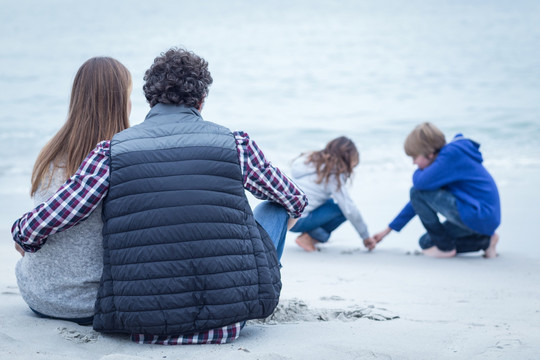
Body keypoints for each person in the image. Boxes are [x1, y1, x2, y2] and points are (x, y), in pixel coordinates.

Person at [11, 47, 307, 344]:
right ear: (202, 101)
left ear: (149, 100)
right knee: (275, 208)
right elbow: (296, 200)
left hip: (144, 324)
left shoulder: (111, 153)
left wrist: (22, 234)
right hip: (229, 322)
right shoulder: (236, 144)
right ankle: (258, 279)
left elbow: (63, 208)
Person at [12, 57, 132, 325]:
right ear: (121, 102)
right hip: (92, 302)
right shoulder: (121, 159)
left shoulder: (50, 153)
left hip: (38, 294)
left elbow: (33, 229)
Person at [369, 122, 500, 258]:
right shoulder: (444, 163)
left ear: (430, 154)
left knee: (417, 191)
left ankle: (446, 249)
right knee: (426, 243)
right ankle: (486, 242)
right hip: (482, 218)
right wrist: (388, 229)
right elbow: (418, 202)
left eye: (415, 157)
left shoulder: (450, 157)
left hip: (479, 214)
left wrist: (418, 173)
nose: (413, 163)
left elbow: (418, 187)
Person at [288, 136, 373, 251]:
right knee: (341, 211)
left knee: (329, 202)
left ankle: (308, 236)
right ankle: (310, 238)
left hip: (286, 217)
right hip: (298, 220)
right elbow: (349, 209)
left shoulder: (308, 159)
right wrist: (365, 236)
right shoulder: (334, 173)